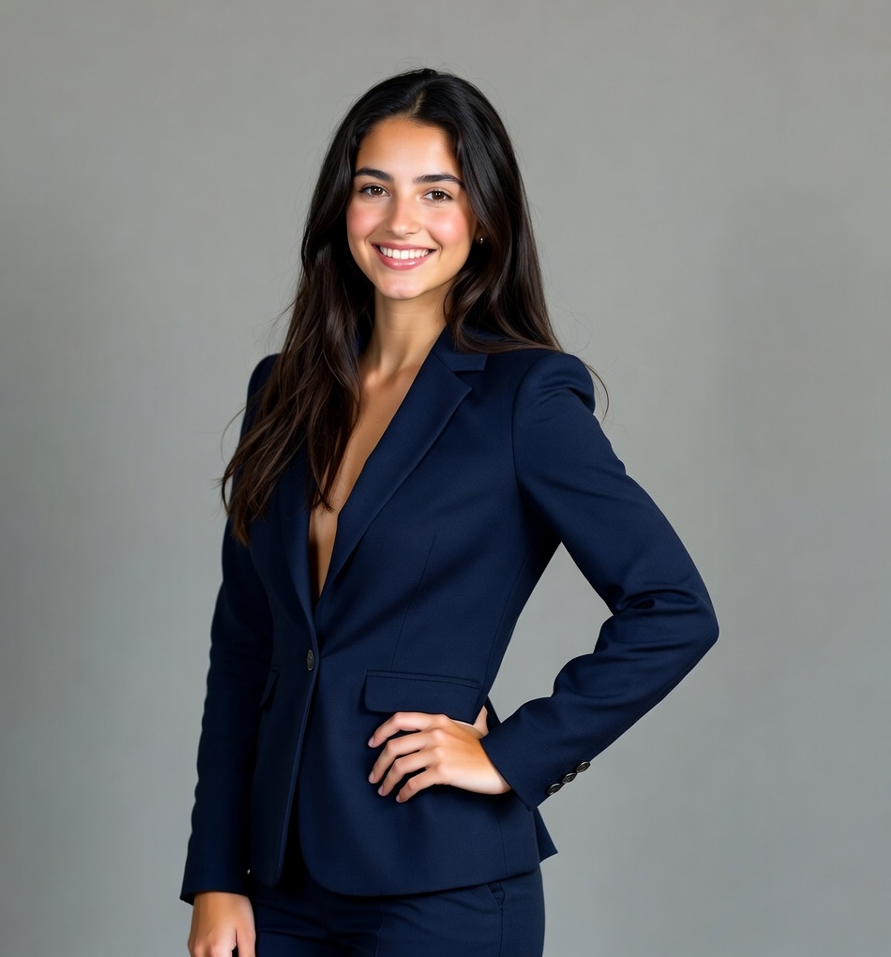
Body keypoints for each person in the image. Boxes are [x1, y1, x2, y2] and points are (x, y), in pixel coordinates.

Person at [182, 69, 718, 957]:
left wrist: (514, 757)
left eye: (438, 192)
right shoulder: (279, 391)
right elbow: (247, 649)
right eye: (373, 189)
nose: (401, 222)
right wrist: (214, 872)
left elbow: (674, 608)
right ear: (340, 208)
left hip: (444, 887)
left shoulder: (525, 397)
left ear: (485, 219)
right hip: (276, 887)